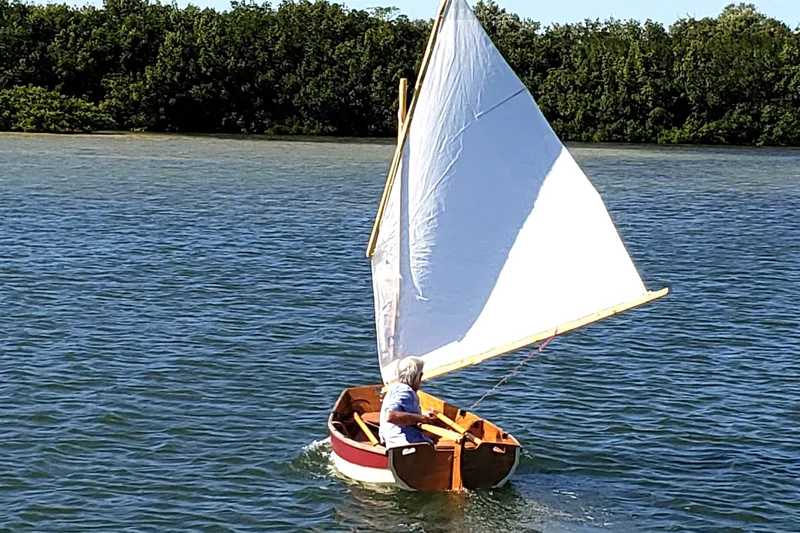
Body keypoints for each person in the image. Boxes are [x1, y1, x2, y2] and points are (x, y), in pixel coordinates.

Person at [379, 357, 438, 448]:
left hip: (392, 443)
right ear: (419, 376)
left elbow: (403, 411)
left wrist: (423, 415)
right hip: (406, 448)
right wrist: (421, 418)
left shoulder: (393, 389)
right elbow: (390, 416)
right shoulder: (405, 391)